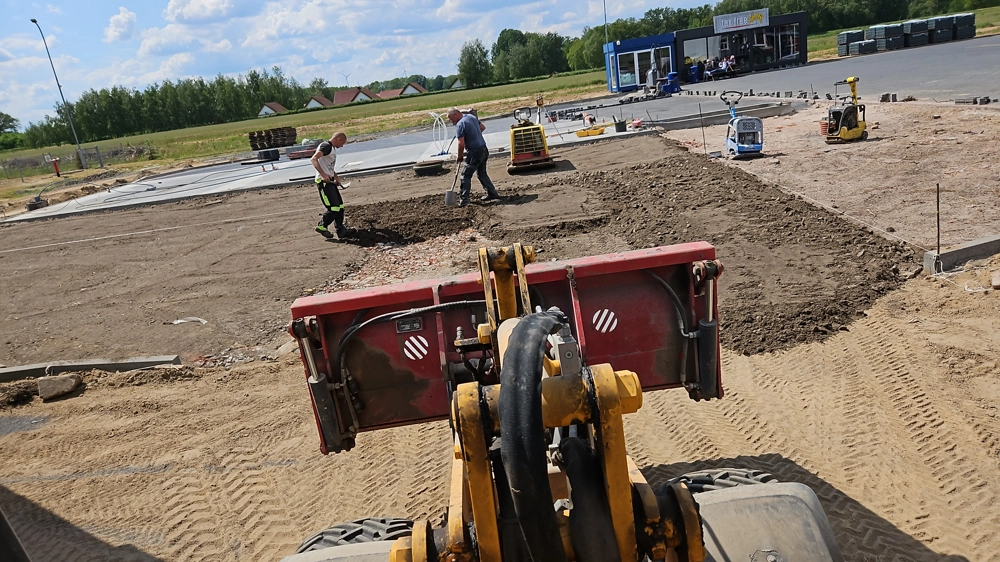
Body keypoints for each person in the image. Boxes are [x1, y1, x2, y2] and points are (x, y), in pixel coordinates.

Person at [448, 108, 501, 207]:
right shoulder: (471, 117)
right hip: (483, 148)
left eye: (451, 119)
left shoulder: (460, 124)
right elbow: (482, 127)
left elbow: (461, 143)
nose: (452, 122)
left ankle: (464, 200)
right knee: (482, 173)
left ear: (456, 115)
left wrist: (459, 156)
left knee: (465, 175)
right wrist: (474, 136)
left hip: (474, 152)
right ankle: (492, 193)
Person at [311, 132, 353, 239]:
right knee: (334, 208)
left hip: (330, 181)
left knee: (340, 207)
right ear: (338, 139)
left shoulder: (331, 148)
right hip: (324, 183)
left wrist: (336, 176)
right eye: (342, 143)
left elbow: (328, 166)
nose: (342, 146)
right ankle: (322, 226)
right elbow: (314, 159)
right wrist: (323, 175)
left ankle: (341, 230)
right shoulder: (326, 146)